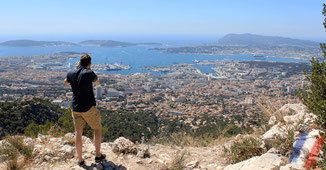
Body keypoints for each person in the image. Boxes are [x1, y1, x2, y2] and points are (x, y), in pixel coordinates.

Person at [64, 54, 105, 166]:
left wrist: (76, 70)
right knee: (97, 129)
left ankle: (80, 160)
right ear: (89, 63)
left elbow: (66, 82)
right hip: (88, 107)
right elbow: (98, 83)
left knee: (78, 133)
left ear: (79, 62)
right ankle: (97, 156)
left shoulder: (71, 73)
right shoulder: (89, 73)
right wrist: (89, 70)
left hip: (76, 108)